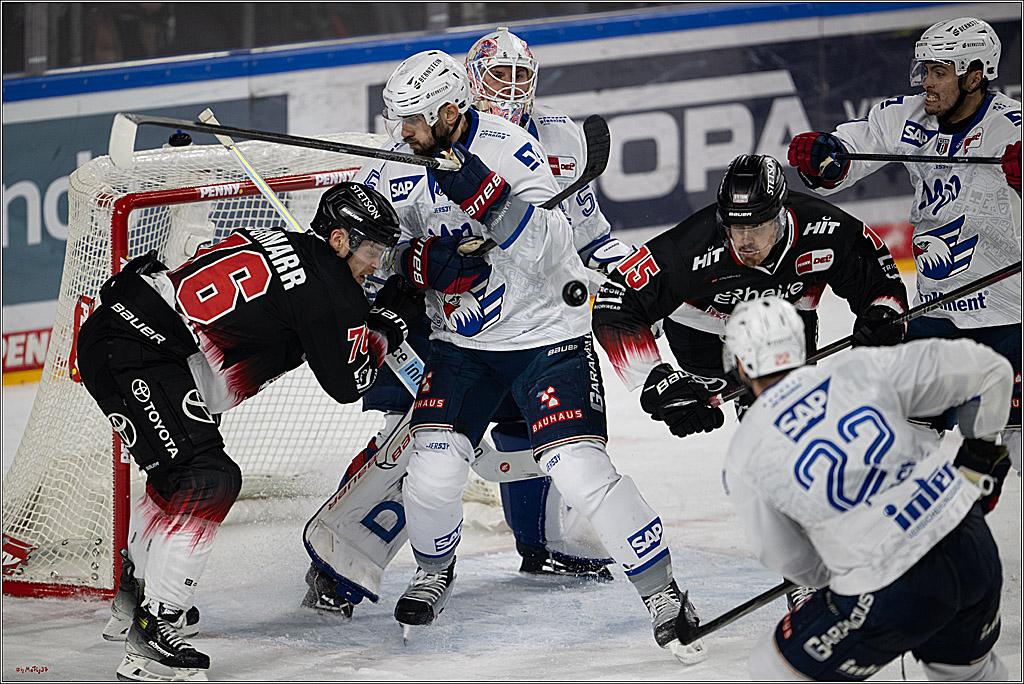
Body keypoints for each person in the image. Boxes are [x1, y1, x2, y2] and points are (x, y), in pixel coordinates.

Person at [314, 48, 706, 664]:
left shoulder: (510, 148)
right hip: (461, 343)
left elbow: (553, 247)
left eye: (413, 121)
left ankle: (663, 594)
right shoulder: (400, 163)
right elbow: (375, 251)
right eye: (397, 120)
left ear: (448, 111)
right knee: (432, 469)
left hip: (547, 338)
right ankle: (432, 571)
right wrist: (415, 263)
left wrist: (486, 197)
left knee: (578, 471)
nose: (403, 134)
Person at [76, 182, 424, 682]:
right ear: (341, 241)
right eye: (371, 250)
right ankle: (156, 630)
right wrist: (390, 324)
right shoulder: (331, 291)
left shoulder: (289, 245)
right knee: (208, 478)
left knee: (179, 474)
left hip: (127, 336)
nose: (375, 264)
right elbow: (348, 384)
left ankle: (137, 596)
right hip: (140, 351)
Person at [719, 296, 1011, 680]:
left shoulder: (744, 453)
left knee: (771, 669)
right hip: (970, 545)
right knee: (964, 673)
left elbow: (788, 558)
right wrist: (982, 452)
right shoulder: (858, 368)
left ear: (740, 363)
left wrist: (844, 576)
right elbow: (992, 370)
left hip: (890, 590)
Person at [787, 17, 1021, 480]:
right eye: (925, 70)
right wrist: (827, 156)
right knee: (905, 441)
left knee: (1012, 441)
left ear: (975, 76)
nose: (926, 83)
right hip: (936, 308)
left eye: (940, 72)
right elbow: (854, 148)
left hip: (1011, 314)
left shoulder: (1013, 127)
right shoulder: (906, 114)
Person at [592, 154, 909, 443]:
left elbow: (878, 278)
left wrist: (883, 315)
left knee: (794, 420)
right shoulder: (689, 246)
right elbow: (615, 303)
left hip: (783, 321)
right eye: (735, 227)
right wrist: (657, 382)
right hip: (701, 333)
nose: (745, 241)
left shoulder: (824, 227)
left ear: (780, 214)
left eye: (756, 226)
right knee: (703, 409)